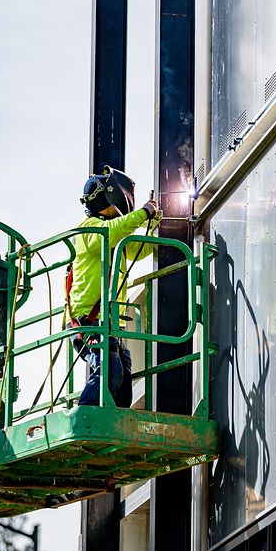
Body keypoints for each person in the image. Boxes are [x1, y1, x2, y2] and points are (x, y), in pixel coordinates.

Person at [67, 166, 159, 406]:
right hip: (89, 321)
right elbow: (111, 231)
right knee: (110, 371)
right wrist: (143, 214)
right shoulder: (90, 228)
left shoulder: (113, 236)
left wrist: (154, 226)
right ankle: (84, 416)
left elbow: (139, 248)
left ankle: (113, 422)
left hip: (110, 325)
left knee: (123, 380)